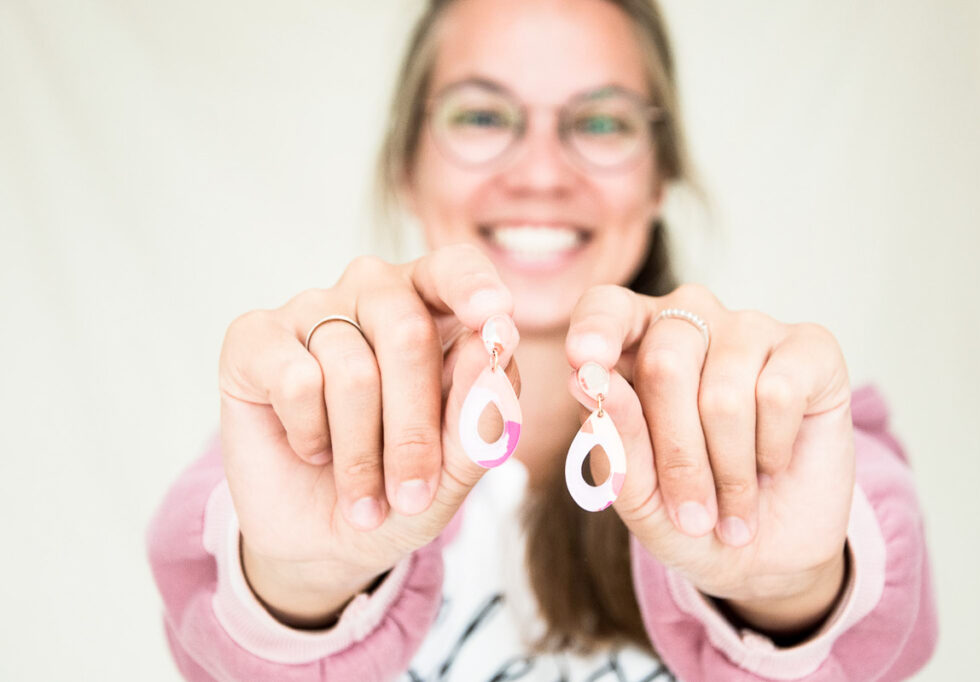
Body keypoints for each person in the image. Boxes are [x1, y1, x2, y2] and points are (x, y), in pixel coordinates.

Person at [146, 0, 938, 679]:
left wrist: (794, 597)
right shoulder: (285, 449)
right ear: (406, 163)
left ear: (659, 174)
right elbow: (220, 635)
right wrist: (295, 584)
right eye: (483, 115)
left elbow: (876, 611)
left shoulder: (788, 429)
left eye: (600, 121)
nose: (541, 173)